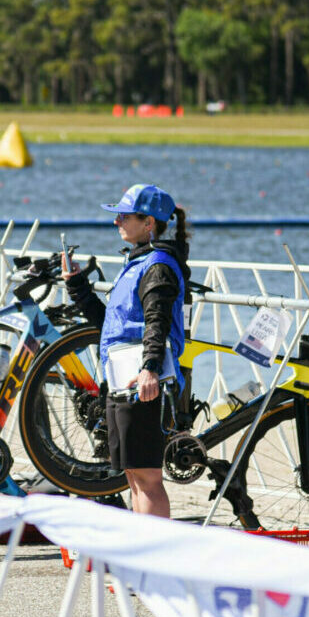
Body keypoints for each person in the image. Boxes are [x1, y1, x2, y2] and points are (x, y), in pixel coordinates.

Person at [63, 183, 190, 518]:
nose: (116, 222)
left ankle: (152, 560)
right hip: (123, 380)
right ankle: (140, 559)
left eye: (123, 216)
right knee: (133, 475)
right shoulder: (138, 261)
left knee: (147, 476)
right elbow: (111, 326)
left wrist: (150, 367)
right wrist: (78, 287)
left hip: (142, 382)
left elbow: (157, 321)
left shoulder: (157, 265)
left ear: (148, 222)